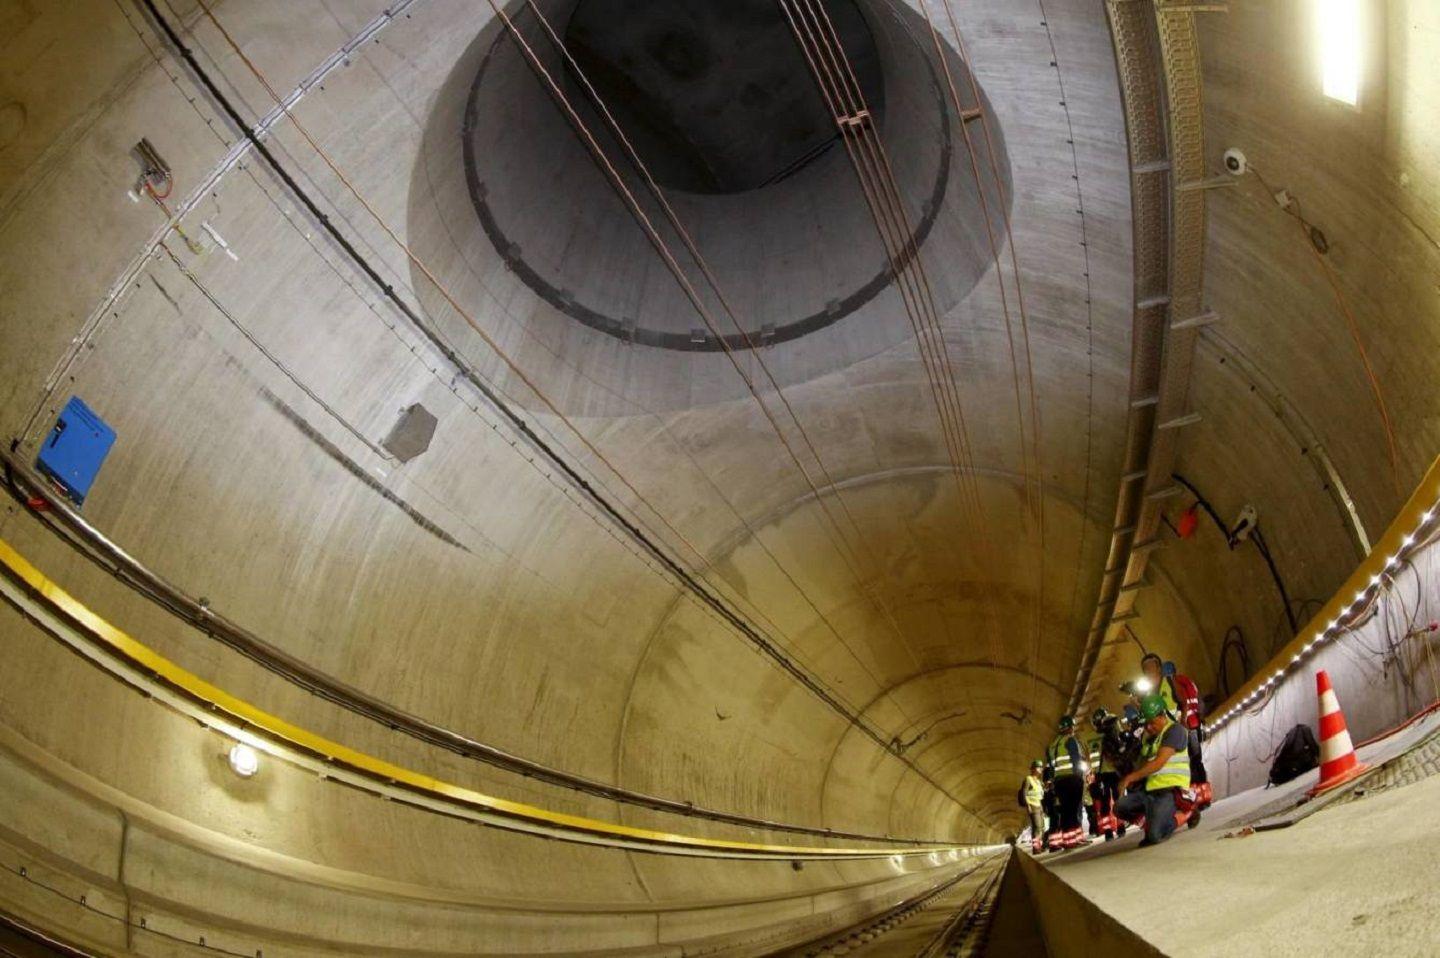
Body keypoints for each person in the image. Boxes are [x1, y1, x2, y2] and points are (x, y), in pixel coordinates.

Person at [1116, 693, 1193, 847]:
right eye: (1146, 725)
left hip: (1170, 791)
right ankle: (1152, 823)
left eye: (1151, 723)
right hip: (1150, 792)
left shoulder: (1175, 731)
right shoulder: (1149, 738)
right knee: (1120, 807)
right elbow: (1142, 762)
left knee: (1155, 836)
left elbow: (1158, 763)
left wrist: (1131, 778)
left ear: (1162, 715)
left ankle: (1186, 813)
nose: (1148, 728)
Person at [1140, 653, 1211, 807]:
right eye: (1145, 669)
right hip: (1168, 737)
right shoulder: (1149, 694)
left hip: (1183, 729)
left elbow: (1184, 703)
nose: (1148, 671)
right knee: (1180, 768)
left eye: (1150, 667)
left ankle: (1203, 796)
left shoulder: (1169, 682)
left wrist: (1184, 723)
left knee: (1194, 761)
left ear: (1158, 668)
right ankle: (1189, 799)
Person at [1045, 716, 1090, 850]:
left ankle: (1071, 839)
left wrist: (1053, 781)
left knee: (1065, 811)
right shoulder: (1070, 740)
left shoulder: (1051, 746)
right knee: (1074, 810)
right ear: (1070, 727)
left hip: (1059, 782)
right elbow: (1076, 760)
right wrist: (1080, 776)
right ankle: (1073, 840)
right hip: (1072, 779)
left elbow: (1051, 767)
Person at [1088, 707, 1126, 840]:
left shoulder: (1092, 738)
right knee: (1117, 799)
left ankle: (1108, 832)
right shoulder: (1111, 731)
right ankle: (1120, 828)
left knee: (1104, 805)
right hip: (1113, 771)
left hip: (1100, 775)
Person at [1022, 760, 1047, 853]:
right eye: (1038, 767)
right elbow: (1024, 793)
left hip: (1039, 805)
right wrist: (1027, 805)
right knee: (1037, 827)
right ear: (1033, 769)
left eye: (1041, 767)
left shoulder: (1039, 781)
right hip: (1033, 805)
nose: (1041, 769)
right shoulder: (1028, 779)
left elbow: (1041, 793)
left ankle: (1040, 846)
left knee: (1042, 827)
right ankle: (1036, 849)